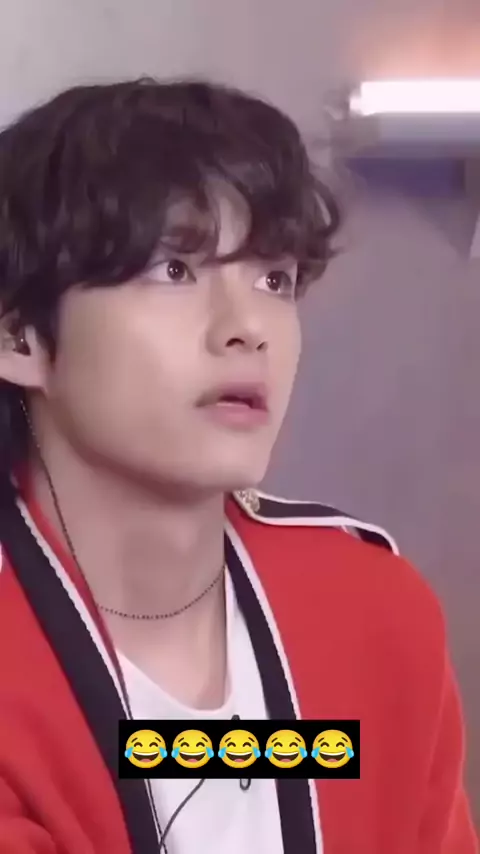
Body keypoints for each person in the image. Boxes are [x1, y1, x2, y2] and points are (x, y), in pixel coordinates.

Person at [0, 78, 476, 854]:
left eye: (274, 279)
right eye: (174, 270)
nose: (247, 327)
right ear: (19, 336)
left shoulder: (374, 615)